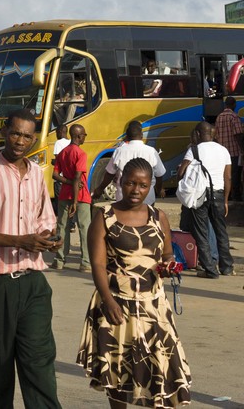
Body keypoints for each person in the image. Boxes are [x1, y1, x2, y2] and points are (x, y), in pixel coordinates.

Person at [0, 108, 63, 408]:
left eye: (27, 136)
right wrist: (21, 240)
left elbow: (46, 220)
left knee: (40, 364)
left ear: (34, 139)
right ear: (5, 132)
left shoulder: (36, 175)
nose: (20, 141)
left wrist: (48, 240)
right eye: (16, 133)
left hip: (33, 285)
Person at [77, 158, 191, 407]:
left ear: (150, 185)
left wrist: (169, 264)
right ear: (119, 182)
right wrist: (108, 301)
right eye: (130, 183)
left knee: (163, 364)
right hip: (116, 304)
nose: (136, 190)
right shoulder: (104, 216)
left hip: (153, 306)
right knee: (118, 370)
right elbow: (97, 264)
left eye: (143, 185)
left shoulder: (158, 216)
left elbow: (167, 253)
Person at [177, 122, 235, 279]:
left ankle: (210, 269)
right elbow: (228, 176)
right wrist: (225, 200)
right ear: (213, 134)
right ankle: (227, 267)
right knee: (221, 231)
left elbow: (181, 172)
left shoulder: (194, 150)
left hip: (201, 196)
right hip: (218, 194)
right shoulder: (223, 150)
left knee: (201, 232)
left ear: (197, 133)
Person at [92, 121, 166, 204]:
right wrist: (159, 190)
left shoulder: (119, 151)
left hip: (124, 199)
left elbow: (109, 174)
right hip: (147, 199)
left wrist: (100, 189)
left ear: (127, 136)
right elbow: (159, 175)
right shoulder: (151, 151)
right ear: (141, 135)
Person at [51, 124, 91, 271]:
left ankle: (59, 260)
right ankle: (85, 263)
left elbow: (55, 175)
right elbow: (78, 177)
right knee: (84, 228)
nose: (85, 137)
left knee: (62, 227)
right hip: (80, 196)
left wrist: (67, 182)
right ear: (78, 136)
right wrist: (75, 201)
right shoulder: (81, 154)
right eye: (84, 135)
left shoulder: (63, 153)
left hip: (64, 194)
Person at [213, 96, 243, 201]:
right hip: (234, 151)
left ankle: (227, 196)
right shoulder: (234, 117)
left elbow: (215, 135)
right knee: (235, 174)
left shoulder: (219, 117)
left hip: (222, 153)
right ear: (234, 105)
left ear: (226, 104)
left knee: (224, 174)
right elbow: (238, 134)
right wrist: (242, 149)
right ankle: (236, 195)